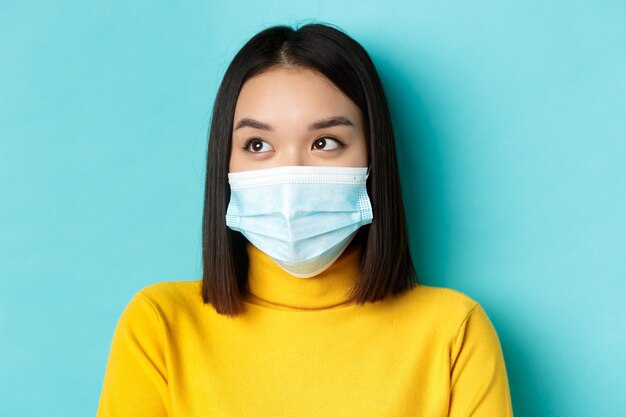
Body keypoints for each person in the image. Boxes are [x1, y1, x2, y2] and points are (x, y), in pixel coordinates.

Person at [97, 23, 514, 417]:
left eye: (325, 142)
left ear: (373, 159)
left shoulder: (453, 333)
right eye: (258, 144)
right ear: (225, 161)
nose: (290, 174)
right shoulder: (161, 326)